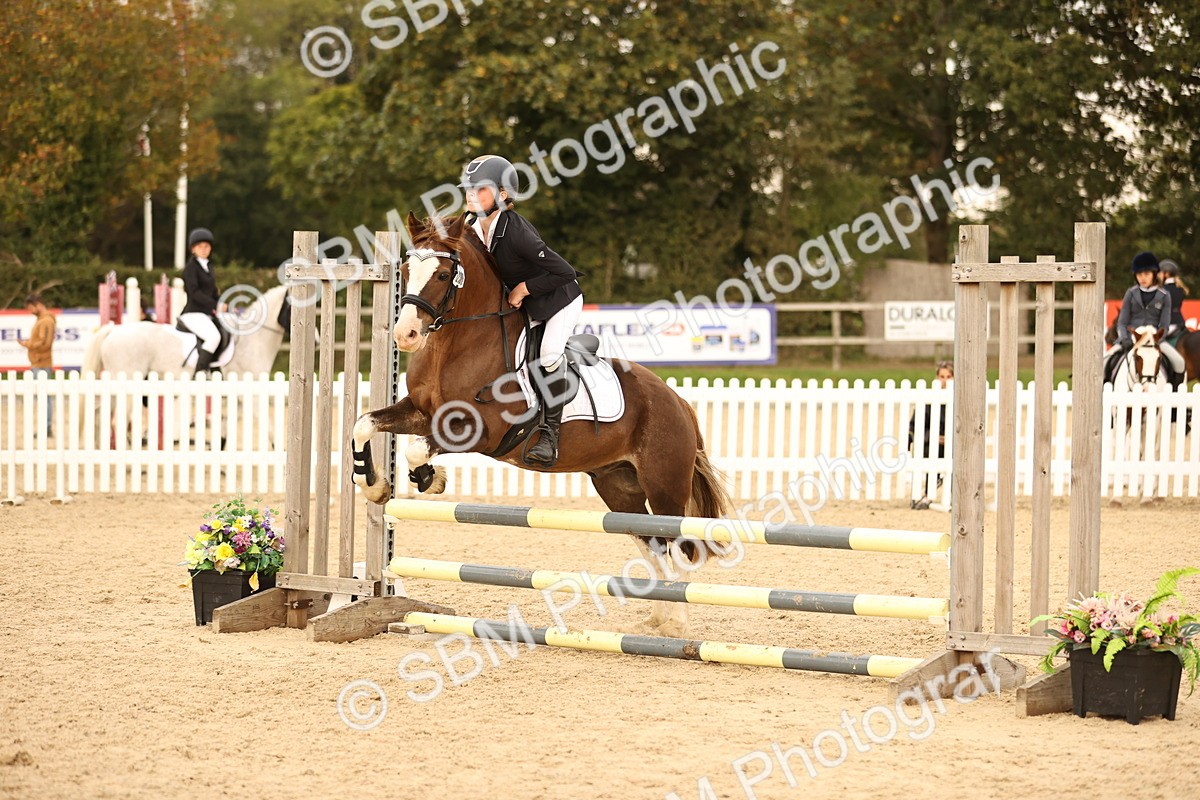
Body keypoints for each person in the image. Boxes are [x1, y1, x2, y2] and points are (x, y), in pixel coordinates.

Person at [458, 154, 584, 467]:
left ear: (502, 195)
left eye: (480, 189)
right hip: (519, 305)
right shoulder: (470, 227)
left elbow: (564, 271)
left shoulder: (515, 231)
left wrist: (524, 288)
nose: (471, 195)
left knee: (549, 356)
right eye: (469, 188)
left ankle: (550, 434)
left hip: (557, 300)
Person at [1106, 251, 1172, 385]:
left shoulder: (1164, 296)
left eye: (1146, 274)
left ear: (1154, 274)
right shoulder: (1131, 293)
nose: (1143, 278)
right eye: (1139, 274)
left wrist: (1156, 339)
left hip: (1154, 340)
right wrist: (1125, 339)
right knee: (1105, 361)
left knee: (1179, 363)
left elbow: (1164, 326)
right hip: (1131, 339)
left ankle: (1175, 395)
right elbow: (1122, 322)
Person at [177, 227, 224, 375]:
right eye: (200, 247)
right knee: (213, 337)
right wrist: (215, 305)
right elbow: (194, 293)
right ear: (193, 249)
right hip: (194, 313)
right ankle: (200, 373)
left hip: (206, 313)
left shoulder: (209, 267)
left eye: (206, 246)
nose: (204, 250)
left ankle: (215, 369)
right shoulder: (190, 268)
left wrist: (225, 304)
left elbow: (213, 291)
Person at [908, 360, 953, 510]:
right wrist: (932, 437)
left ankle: (955, 495)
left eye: (949, 377)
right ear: (937, 378)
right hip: (932, 444)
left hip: (956, 446)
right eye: (942, 376)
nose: (945, 381)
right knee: (931, 452)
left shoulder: (963, 401)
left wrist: (951, 439)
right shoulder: (927, 401)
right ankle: (928, 494)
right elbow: (915, 426)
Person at [17, 293, 56, 437]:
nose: (30, 311)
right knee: (42, 396)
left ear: (38, 304)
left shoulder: (45, 321)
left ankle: (46, 427)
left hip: (41, 362)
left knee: (42, 397)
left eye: (31, 308)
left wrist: (27, 344)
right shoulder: (44, 320)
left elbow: (44, 343)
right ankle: (46, 427)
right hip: (40, 362)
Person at [1157, 258, 1189, 391]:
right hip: (1180, 323)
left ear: (1166, 273)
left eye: (1160, 273)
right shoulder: (1180, 289)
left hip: (1169, 324)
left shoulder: (1162, 290)